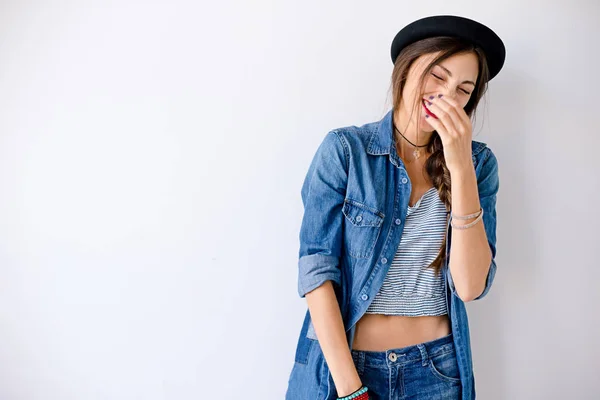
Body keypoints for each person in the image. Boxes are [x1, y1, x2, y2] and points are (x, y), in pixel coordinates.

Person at [285, 15, 506, 400]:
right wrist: (351, 389)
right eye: (438, 76)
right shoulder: (345, 151)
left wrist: (460, 167)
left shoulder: (478, 165)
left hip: (437, 372)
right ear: (407, 67)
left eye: (463, 89)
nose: (447, 97)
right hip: (345, 369)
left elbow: (470, 287)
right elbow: (316, 274)